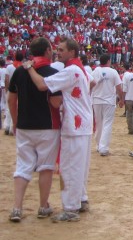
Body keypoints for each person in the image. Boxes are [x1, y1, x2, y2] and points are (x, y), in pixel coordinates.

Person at [24, 37, 93, 222]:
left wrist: (29, 67)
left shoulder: (70, 71)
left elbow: (41, 84)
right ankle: (81, 199)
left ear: (72, 52)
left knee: (69, 168)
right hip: (84, 124)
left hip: (74, 125)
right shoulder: (81, 69)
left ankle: (71, 208)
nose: (58, 52)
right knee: (81, 167)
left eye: (62, 49)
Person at [7, 38, 62, 222]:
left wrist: (15, 121)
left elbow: (11, 100)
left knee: (22, 166)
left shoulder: (19, 71)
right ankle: (43, 206)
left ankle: (17, 208)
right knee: (46, 167)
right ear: (47, 51)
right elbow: (56, 102)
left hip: (24, 124)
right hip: (47, 125)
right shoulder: (52, 72)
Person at [90, 54, 124, 156]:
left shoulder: (95, 71)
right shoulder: (113, 72)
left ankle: (98, 145)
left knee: (99, 123)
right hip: (108, 101)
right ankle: (103, 148)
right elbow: (118, 87)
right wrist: (121, 99)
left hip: (96, 100)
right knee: (107, 124)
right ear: (109, 61)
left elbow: (90, 84)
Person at [4, 52, 24, 135]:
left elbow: (7, 79)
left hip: (11, 89)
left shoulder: (9, 67)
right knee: (17, 109)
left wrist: (7, 89)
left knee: (8, 108)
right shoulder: (23, 67)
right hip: (20, 90)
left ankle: (7, 127)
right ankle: (12, 128)